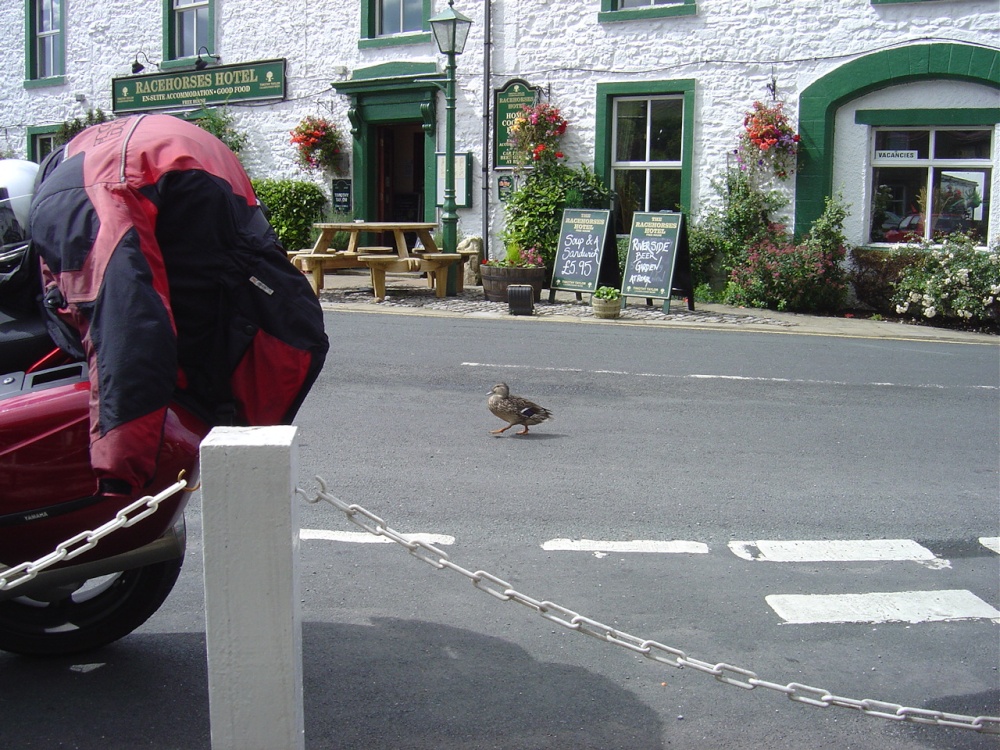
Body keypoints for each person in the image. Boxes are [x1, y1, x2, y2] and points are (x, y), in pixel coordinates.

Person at [26, 114, 329, 496]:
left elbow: (124, 317)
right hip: (207, 195)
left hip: (171, 192)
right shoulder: (106, 148)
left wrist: (121, 474)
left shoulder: (80, 189)